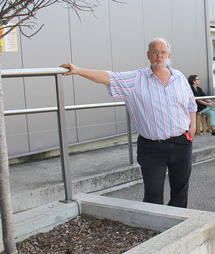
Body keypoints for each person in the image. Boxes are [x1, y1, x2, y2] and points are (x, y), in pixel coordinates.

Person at [61, 38, 197, 208]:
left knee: (180, 192)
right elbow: (108, 77)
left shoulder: (179, 77)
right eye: (155, 52)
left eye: (163, 52)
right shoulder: (135, 79)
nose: (159, 56)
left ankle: (178, 228)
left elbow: (191, 103)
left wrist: (193, 126)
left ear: (168, 55)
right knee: (153, 195)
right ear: (148, 55)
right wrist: (79, 70)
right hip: (152, 148)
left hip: (181, 143)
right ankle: (154, 227)